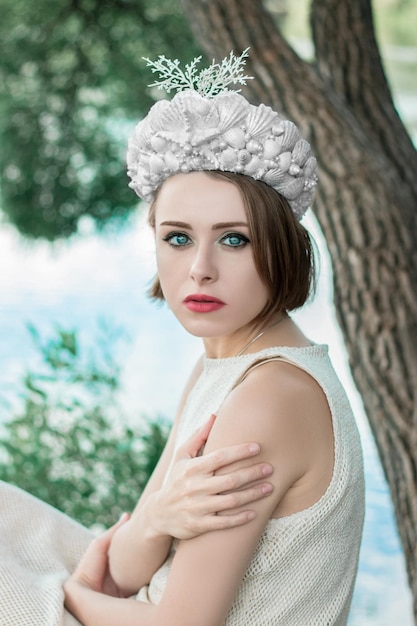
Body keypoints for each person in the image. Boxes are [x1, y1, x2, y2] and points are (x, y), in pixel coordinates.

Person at [0, 51, 364, 626]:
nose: (199, 269)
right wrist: (156, 518)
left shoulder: (272, 396)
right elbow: (123, 569)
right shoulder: (220, 367)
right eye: (177, 238)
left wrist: (62, 597)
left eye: (234, 240)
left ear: (282, 247)